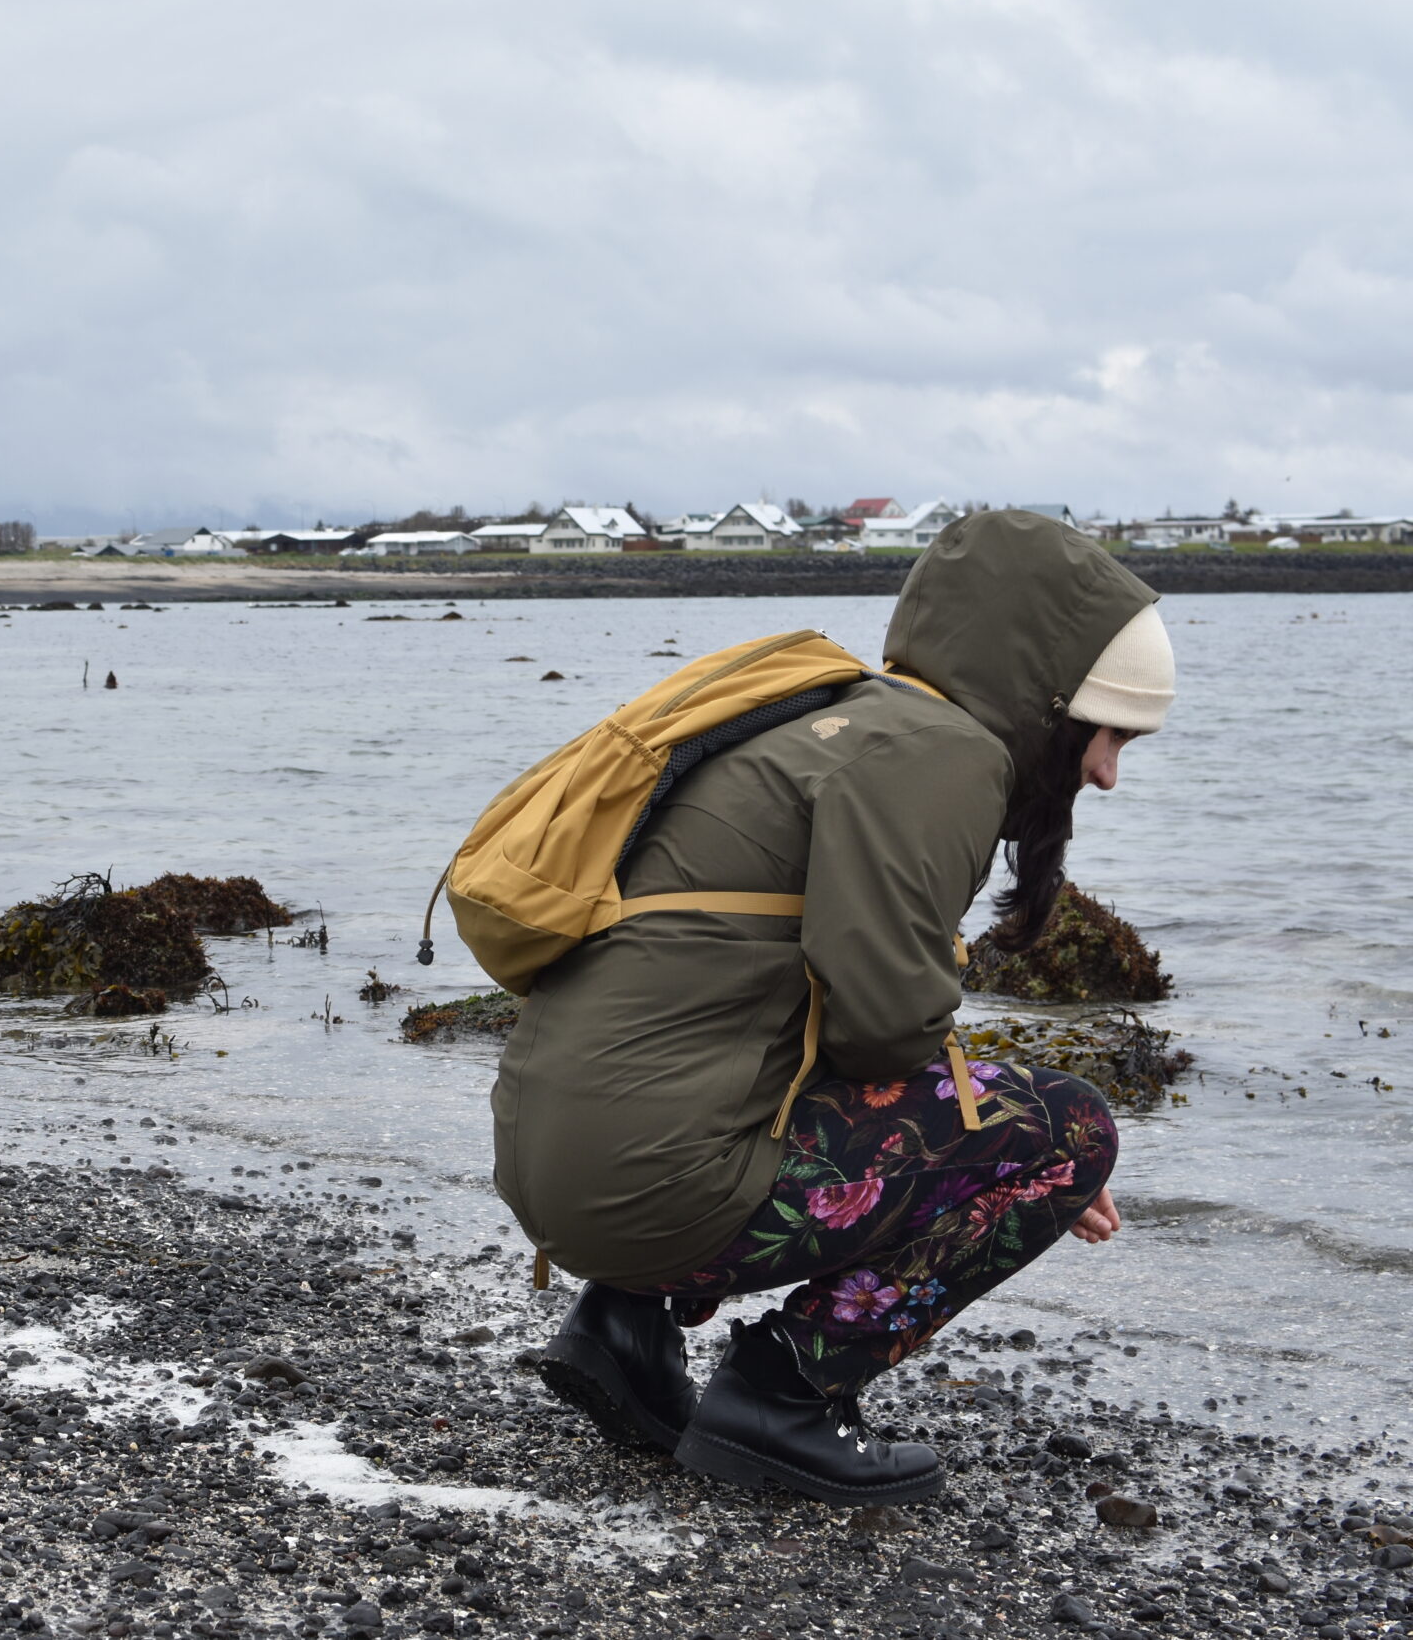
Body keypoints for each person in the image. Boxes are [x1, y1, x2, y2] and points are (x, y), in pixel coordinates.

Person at [491, 510, 1173, 1505]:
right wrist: (1018, 1155)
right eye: (1110, 734)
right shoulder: (940, 753)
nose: (1107, 771)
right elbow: (883, 1025)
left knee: (760, 1061)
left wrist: (969, 1127)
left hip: (554, 1168)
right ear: (1051, 700)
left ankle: (620, 1332)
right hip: (650, 1189)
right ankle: (782, 1397)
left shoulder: (828, 717)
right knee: (1070, 1126)